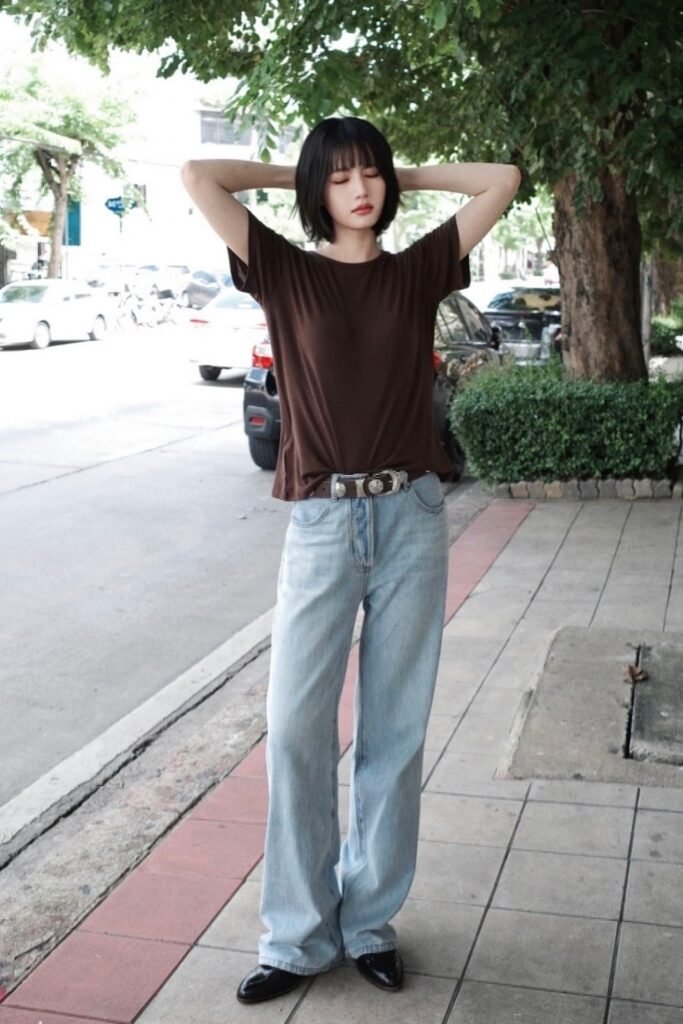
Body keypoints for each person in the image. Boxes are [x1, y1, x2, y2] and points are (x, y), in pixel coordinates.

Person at [181, 116, 520, 1004]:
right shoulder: (284, 271)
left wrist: (400, 164)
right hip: (325, 524)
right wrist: (302, 163)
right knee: (296, 731)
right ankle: (295, 938)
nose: (360, 189)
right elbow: (198, 173)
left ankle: (367, 923)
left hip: (409, 514)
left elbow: (501, 178)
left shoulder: (415, 273)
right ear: (313, 192)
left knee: (392, 736)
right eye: (338, 179)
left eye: (368, 175)